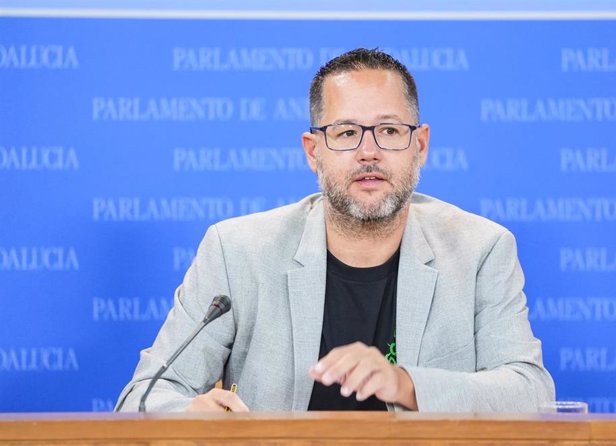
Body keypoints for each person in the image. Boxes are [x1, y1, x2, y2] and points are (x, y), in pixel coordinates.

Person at [115, 48, 554, 412]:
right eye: (346, 133)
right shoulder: (237, 252)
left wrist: (405, 385)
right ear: (313, 151)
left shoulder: (481, 251)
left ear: (419, 146)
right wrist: (190, 417)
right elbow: (143, 398)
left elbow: (531, 394)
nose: (369, 151)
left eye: (388, 130)